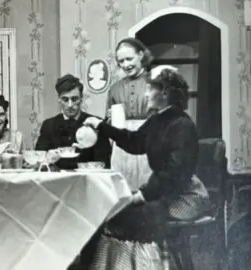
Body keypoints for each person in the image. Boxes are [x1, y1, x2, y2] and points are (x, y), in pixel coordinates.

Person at [83, 66, 211, 269]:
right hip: (164, 192)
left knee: (132, 220)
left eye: (150, 88)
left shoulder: (181, 124)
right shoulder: (158, 120)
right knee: (116, 217)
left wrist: (143, 195)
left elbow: (175, 174)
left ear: (165, 92)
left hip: (186, 196)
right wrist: (101, 126)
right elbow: (134, 142)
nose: (146, 93)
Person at [106, 37, 155, 190]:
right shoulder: (115, 89)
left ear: (141, 55)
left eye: (129, 59)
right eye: (121, 61)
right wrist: (110, 119)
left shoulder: (156, 82)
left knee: (148, 189)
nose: (125, 65)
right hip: (122, 146)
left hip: (148, 141)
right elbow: (110, 125)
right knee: (123, 191)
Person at [35, 74, 112, 170]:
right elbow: (38, 160)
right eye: (65, 99)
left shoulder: (95, 123)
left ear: (81, 98)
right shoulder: (48, 125)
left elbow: (104, 162)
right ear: (59, 99)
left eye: (74, 99)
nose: (70, 105)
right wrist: (48, 158)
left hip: (87, 182)